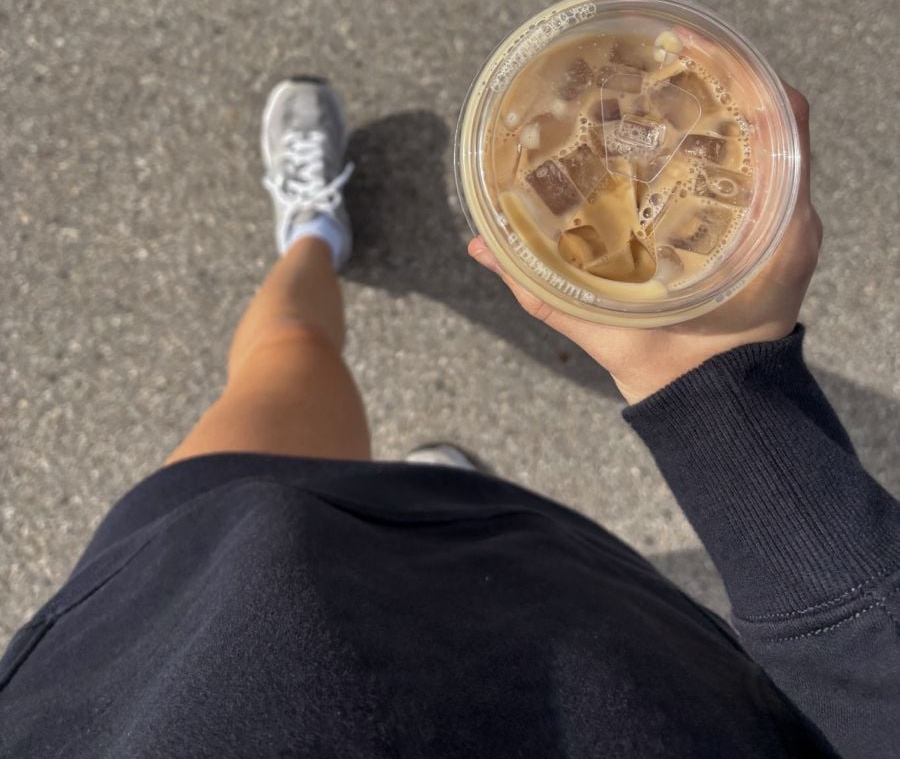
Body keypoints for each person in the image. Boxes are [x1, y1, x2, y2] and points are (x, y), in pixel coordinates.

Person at [1, 77, 897, 759]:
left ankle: (314, 235)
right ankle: (444, 507)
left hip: (203, 611)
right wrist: (723, 383)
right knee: (474, 535)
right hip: (597, 662)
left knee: (292, 347)